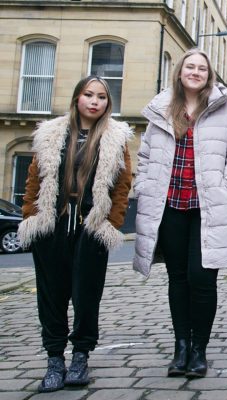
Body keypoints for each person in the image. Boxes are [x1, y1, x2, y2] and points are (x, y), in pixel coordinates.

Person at [133, 48, 227, 379]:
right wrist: (144, 186)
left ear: (209, 74)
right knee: (178, 278)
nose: (196, 72)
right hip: (169, 205)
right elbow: (145, 156)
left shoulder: (225, 110)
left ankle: (199, 350)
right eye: (190, 67)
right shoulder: (161, 108)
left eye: (202, 68)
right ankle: (180, 347)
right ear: (180, 72)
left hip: (207, 207)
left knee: (202, 278)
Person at [18, 76, 133, 393]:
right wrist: (32, 216)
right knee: (51, 298)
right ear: (77, 98)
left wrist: (111, 222)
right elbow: (34, 180)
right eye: (88, 95)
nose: (95, 101)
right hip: (51, 227)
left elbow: (122, 187)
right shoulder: (51, 133)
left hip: (90, 228)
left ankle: (80, 357)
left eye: (101, 97)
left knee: (86, 298)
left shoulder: (115, 138)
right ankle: (55, 361)